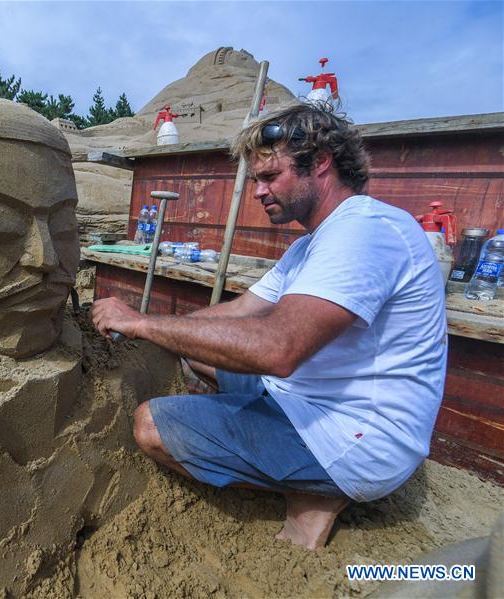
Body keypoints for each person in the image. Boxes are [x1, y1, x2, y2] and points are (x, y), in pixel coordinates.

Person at [91, 103, 447, 550]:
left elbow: (277, 350)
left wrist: (142, 322)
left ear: (320, 162)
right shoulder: (310, 246)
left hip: (357, 437)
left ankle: (314, 492)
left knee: (150, 427)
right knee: (196, 349)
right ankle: (288, 464)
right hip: (308, 397)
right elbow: (240, 312)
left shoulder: (363, 232)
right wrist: (153, 329)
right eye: (255, 179)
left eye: (269, 176)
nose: (258, 191)